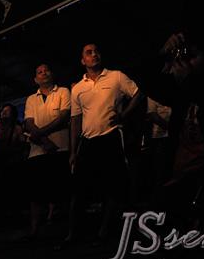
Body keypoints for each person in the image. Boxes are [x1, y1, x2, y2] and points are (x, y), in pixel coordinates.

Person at [63, 43, 144, 247]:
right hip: (88, 141)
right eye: (88, 53)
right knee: (79, 189)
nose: (94, 54)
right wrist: (73, 151)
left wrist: (124, 114)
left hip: (111, 137)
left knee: (114, 186)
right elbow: (75, 120)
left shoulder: (116, 76)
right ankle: (73, 234)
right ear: (83, 61)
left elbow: (137, 93)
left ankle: (104, 231)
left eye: (96, 51)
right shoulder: (78, 88)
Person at [23, 63, 70, 240]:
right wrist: (44, 141)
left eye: (46, 70)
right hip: (37, 152)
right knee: (36, 194)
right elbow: (28, 122)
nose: (43, 74)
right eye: (39, 72)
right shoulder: (30, 99)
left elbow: (63, 117)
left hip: (60, 148)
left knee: (61, 191)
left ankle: (63, 232)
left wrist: (39, 134)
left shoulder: (63, 92)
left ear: (52, 74)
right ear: (35, 79)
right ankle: (34, 231)